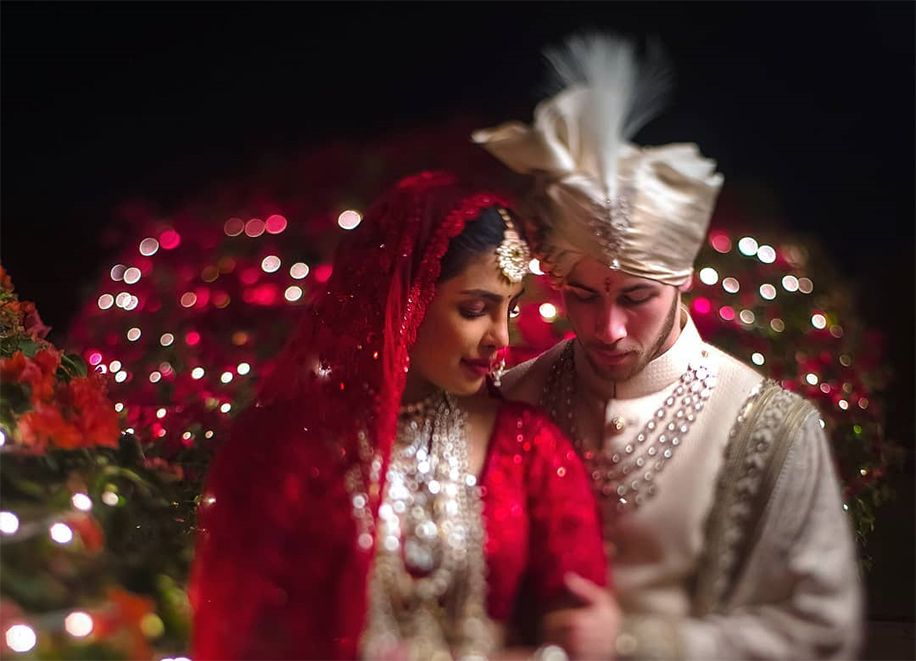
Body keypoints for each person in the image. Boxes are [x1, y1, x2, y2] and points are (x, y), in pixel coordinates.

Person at [473, 34, 863, 659]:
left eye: (635, 298)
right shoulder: (513, 395)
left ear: (683, 280)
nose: (607, 329)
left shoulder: (773, 428)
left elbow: (822, 631)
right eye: (582, 295)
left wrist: (633, 643)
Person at [188, 171, 607, 660]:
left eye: (508, 311)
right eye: (475, 309)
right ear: (409, 298)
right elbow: (246, 634)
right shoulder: (287, 446)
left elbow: (581, 610)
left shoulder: (526, 443)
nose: (501, 339)